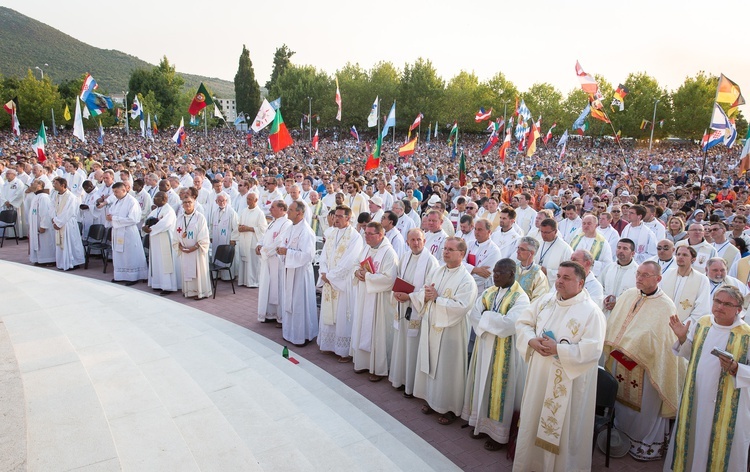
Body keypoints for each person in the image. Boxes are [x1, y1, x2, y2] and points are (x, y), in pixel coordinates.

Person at [513, 261, 606, 472]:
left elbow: (593, 351)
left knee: (562, 431)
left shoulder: (591, 312)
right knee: (534, 419)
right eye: (559, 276)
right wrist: (530, 340)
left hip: (569, 383)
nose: (560, 281)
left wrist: (559, 350)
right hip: (539, 374)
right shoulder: (546, 301)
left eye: (567, 278)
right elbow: (523, 322)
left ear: (581, 283)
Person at [603, 261, 685, 461]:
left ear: (658, 279)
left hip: (646, 366)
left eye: (645, 275)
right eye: (638, 273)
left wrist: (635, 348)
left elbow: (661, 340)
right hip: (619, 359)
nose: (639, 278)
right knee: (620, 401)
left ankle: (644, 444)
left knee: (645, 407)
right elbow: (615, 322)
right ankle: (619, 435)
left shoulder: (665, 305)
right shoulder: (629, 294)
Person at [665, 286, 750, 471]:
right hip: (696, 395)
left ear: (738, 309)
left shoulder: (746, 334)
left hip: (728, 401)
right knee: (694, 436)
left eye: (727, 303)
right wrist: (681, 338)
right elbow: (691, 354)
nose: (719, 306)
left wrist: (736, 368)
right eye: (717, 301)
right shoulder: (703, 323)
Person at [461, 259, 530, 451]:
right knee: (481, 383)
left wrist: (486, 317)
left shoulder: (520, 298)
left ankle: (497, 434)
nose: (495, 276)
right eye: (495, 272)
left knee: (499, 390)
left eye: (500, 273)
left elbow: (509, 324)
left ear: (512, 274)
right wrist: (490, 319)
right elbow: (473, 314)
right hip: (484, 347)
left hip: (505, 352)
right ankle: (480, 424)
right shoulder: (489, 292)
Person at [412, 237, 478, 425]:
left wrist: (437, 299)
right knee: (432, 364)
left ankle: (450, 407)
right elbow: (425, 291)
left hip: (451, 331)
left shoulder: (467, 280)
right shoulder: (438, 271)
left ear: (462, 254)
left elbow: (462, 306)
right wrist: (424, 296)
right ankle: (431, 399)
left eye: (450, 249)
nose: (446, 252)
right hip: (433, 324)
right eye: (445, 248)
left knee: (448, 369)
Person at [390, 228, 439, 397]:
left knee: (413, 347)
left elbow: (430, 288)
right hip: (403, 306)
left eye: (419, 239)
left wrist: (409, 296)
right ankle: (400, 379)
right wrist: (396, 293)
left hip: (417, 310)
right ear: (407, 242)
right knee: (402, 343)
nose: (416, 243)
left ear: (424, 241)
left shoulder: (431, 262)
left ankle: (411, 385)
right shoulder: (404, 257)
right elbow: (398, 278)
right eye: (412, 240)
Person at [351, 222, 399, 382]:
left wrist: (368, 277)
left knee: (378, 332)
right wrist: (357, 272)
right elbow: (357, 264)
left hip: (379, 300)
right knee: (362, 325)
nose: (367, 237)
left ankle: (378, 368)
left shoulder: (389, 253)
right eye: (366, 234)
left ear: (380, 235)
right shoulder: (366, 248)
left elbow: (389, 279)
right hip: (365, 295)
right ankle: (363, 362)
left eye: (371, 234)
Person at [318, 205, 363, 361]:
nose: (335, 219)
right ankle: (329, 345)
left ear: (348, 218)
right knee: (329, 311)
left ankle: (344, 350)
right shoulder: (332, 233)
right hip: (329, 280)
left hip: (343, 283)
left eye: (339, 216)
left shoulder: (355, 237)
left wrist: (331, 276)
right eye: (334, 216)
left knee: (343, 314)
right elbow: (324, 255)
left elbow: (350, 261)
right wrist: (323, 272)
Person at [279, 201, 318, 347]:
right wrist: (282, 251)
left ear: (299, 213)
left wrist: (287, 253)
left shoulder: (306, 231)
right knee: (289, 302)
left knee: (299, 303)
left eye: (290, 210)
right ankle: (289, 333)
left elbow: (308, 255)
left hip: (300, 273)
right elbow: (284, 243)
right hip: (289, 269)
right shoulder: (290, 227)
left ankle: (302, 335)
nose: (287, 212)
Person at [256, 201, 292, 324]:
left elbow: (280, 242)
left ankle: (279, 316)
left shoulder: (286, 224)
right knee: (267, 285)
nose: (270, 209)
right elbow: (265, 236)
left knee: (277, 287)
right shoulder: (273, 222)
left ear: (282, 209)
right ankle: (268, 313)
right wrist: (259, 244)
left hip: (276, 260)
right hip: (268, 260)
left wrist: (265, 251)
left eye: (273, 207)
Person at [106, 182, 148, 285]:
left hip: (128, 232)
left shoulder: (132, 202)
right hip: (117, 231)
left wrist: (114, 218)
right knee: (118, 254)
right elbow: (111, 212)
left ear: (124, 190)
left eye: (116, 191)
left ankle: (133, 277)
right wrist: (110, 217)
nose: (114, 194)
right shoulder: (117, 201)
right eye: (114, 192)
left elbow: (133, 219)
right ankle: (120, 275)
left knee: (129, 255)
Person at [661, 245, 711, 324]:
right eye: (678, 254)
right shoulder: (668, 274)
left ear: (693, 259)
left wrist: (684, 325)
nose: (680, 257)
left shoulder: (702, 280)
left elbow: (702, 309)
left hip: (684, 327)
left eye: (685, 255)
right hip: (663, 322)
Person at [173, 197, 212, 299]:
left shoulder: (200, 218)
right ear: (182, 205)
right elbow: (176, 235)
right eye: (185, 202)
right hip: (185, 252)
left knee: (198, 271)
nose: (187, 204)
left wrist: (194, 248)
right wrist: (180, 246)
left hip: (197, 252)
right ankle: (189, 291)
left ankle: (200, 292)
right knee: (187, 271)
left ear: (194, 203)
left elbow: (203, 235)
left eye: (190, 202)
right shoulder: (180, 218)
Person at [142, 191, 178, 295]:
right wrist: (145, 227)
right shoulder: (156, 210)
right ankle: (157, 283)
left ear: (164, 199)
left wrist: (151, 229)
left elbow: (165, 224)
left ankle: (167, 286)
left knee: (165, 262)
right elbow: (147, 220)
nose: (154, 199)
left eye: (157, 198)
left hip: (165, 238)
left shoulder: (169, 211)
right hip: (155, 240)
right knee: (156, 261)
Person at [51, 177, 85, 271]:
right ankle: (62, 263)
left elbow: (68, 212)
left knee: (71, 243)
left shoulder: (71, 197)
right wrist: (54, 218)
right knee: (61, 244)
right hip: (59, 222)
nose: (54, 185)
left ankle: (72, 263)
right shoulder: (55, 195)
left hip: (68, 223)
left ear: (63, 185)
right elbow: (52, 207)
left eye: (56, 183)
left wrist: (58, 222)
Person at [600, 238, 639, 316]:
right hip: (605, 311)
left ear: (633, 253)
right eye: (619, 247)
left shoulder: (638, 272)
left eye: (625, 249)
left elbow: (637, 296)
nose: (621, 251)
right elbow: (600, 287)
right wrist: (605, 299)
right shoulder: (609, 268)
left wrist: (617, 302)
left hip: (624, 313)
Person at [236, 192, 267, 288]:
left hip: (253, 240)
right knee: (244, 261)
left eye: (250, 199)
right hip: (244, 240)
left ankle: (253, 282)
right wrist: (240, 227)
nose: (248, 201)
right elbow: (239, 223)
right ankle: (243, 281)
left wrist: (249, 228)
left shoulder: (260, 213)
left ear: (256, 200)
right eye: (247, 199)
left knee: (253, 263)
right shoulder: (244, 211)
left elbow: (263, 229)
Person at [209, 193, 239, 281]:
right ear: (216, 202)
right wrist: (211, 235)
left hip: (227, 239)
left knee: (225, 256)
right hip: (216, 239)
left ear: (226, 201)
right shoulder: (215, 212)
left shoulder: (231, 212)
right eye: (219, 201)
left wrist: (233, 239)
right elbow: (211, 225)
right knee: (217, 255)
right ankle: (217, 275)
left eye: (223, 200)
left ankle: (227, 277)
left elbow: (236, 227)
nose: (222, 202)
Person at [534, 218, 573, 286]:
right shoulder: (539, 243)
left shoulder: (565, 249)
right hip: (536, 283)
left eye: (546, 232)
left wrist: (547, 272)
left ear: (555, 231)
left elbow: (569, 272)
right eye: (542, 232)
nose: (543, 235)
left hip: (552, 287)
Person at [28, 179, 56, 265]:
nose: (31, 184)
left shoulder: (43, 197)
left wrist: (43, 226)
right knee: (39, 244)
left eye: (34, 183)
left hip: (43, 227)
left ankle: (49, 260)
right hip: (35, 226)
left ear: (40, 186)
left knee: (45, 243)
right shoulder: (36, 196)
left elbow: (45, 213)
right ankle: (39, 259)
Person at [515, 236, 550, 301]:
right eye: (518, 248)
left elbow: (538, 300)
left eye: (522, 249)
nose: (517, 251)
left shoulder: (539, 275)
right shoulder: (513, 269)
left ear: (531, 253)